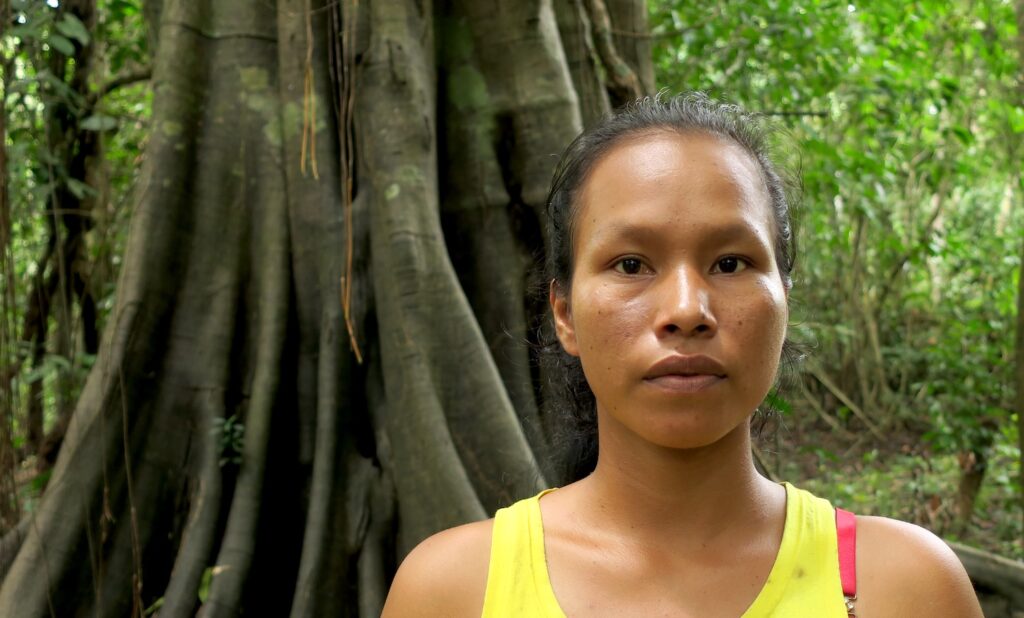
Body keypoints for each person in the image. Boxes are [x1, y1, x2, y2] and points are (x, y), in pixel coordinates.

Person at [381, 94, 983, 617]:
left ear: (785, 302)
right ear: (563, 312)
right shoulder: (451, 590)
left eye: (730, 263)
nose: (687, 309)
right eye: (631, 265)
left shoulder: (903, 588)